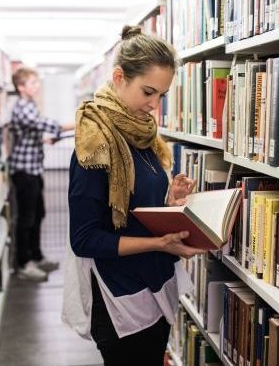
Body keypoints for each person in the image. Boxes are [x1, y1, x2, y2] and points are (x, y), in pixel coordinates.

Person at [65, 25, 205, 365]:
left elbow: (138, 212)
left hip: (153, 283)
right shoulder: (95, 146)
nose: (155, 105)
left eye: (162, 95)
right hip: (119, 299)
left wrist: (170, 202)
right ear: (119, 77)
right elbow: (84, 240)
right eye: (147, 92)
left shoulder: (144, 139)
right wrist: (159, 244)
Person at [10, 67, 74, 282]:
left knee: (38, 214)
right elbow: (46, 124)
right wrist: (80, 121)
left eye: (37, 82)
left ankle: (36, 257)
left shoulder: (30, 105)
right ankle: (23, 264)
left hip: (34, 170)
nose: (37, 86)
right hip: (24, 171)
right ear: (21, 87)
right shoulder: (22, 107)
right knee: (27, 218)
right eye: (33, 83)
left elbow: (35, 132)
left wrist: (47, 139)